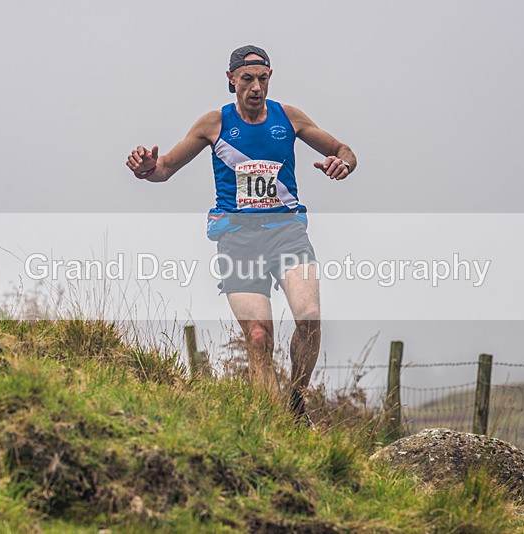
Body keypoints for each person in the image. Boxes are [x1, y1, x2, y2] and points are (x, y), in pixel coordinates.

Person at [126, 45, 356, 423]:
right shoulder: (214, 124)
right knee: (259, 337)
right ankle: (273, 423)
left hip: (286, 232)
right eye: (247, 79)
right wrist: (147, 168)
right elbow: (164, 168)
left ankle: (296, 401)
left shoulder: (289, 117)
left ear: (270, 78)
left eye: (262, 79)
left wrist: (342, 163)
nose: (256, 87)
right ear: (231, 79)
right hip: (238, 239)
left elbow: (344, 150)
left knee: (310, 317)